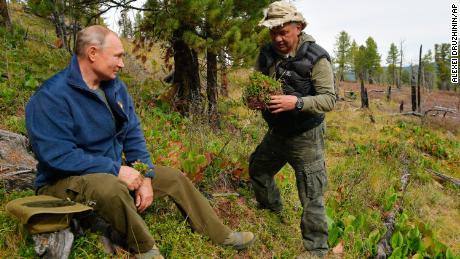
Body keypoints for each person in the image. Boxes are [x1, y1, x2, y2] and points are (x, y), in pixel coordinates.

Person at [25, 25, 255, 258]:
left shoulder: (114, 87)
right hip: (62, 182)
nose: (122, 64)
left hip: (110, 173)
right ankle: (145, 249)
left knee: (173, 178)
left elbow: (132, 133)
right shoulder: (51, 97)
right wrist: (115, 169)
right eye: (117, 56)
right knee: (111, 188)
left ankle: (221, 235)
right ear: (93, 53)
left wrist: (144, 175)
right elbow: (57, 156)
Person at [249, 1, 336, 258]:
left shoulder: (316, 58)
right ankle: (272, 211)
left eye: (283, 32)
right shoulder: (266, 54)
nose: (277, 38)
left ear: (298, 27)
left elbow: (329, 100)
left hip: (306, 135)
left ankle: (316, 249)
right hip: (277, 132)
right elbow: (256, 85)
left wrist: (296, 102)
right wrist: (254, 99)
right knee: (258, 169)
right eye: (272, 32)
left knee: (311, 192)